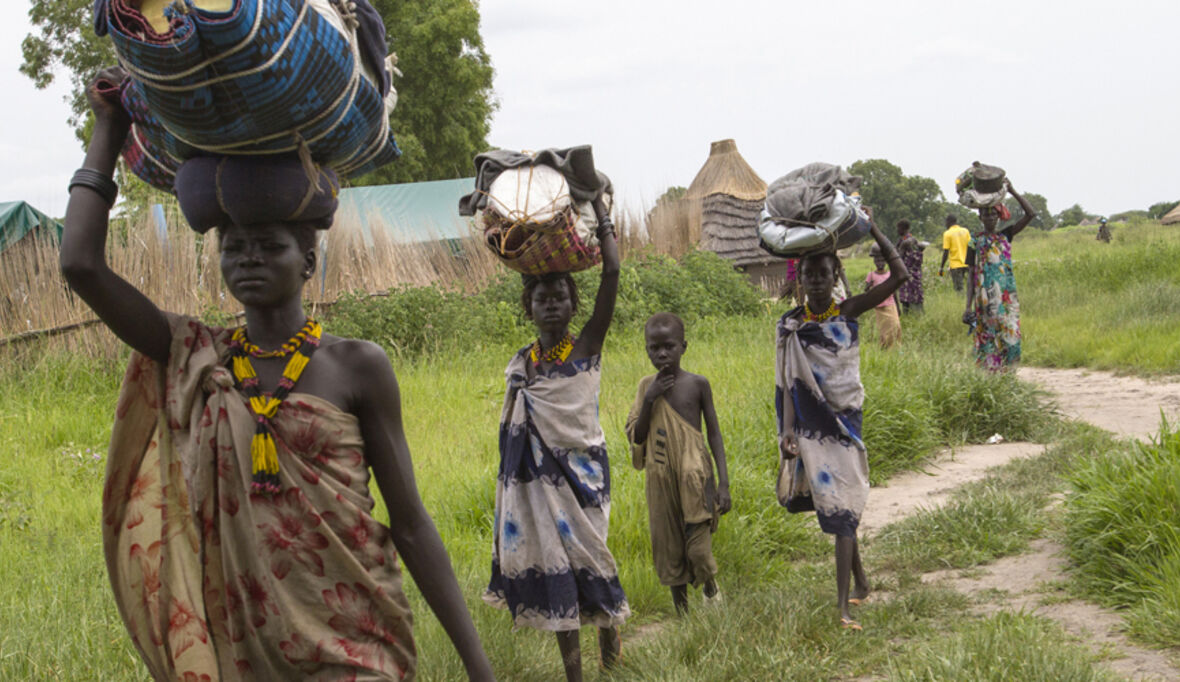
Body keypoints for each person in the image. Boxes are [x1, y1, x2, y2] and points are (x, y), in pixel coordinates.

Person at [60, 68, 494, 681]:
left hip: (355, 641)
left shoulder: (356, 366)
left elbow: (413, 523)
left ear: (309, 260)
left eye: (269, 244)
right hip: (244, 651)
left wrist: (480, 668)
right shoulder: (196, 356)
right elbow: (80, 264)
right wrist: (108, 130)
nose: (249, 257)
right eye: (233, 247)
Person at [484, 197, 629, 682]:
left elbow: (610, 274)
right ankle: (576, 676)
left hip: (585, 476)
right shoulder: (522, 365)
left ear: (574, 304)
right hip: (538, 486)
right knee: (559, 570)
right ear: (527, 306)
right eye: (541, 296)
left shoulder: (587, 346)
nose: (550, 303)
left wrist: (601, 215)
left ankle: (611, 646)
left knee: (594, 558)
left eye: (560, 295)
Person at [775, 219, 909, 631]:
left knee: (844, 505)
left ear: (836, 276)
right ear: (800, 279)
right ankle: (860, 585)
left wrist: (873, 231)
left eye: (824, 273)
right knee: (839, 509)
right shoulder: (790, 325)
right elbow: (785, 383)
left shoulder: (849, 310)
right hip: (811, 429)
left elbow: (900, 275)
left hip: (846, 421)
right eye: (809, 274)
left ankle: (843, 606)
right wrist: (786, 431)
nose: (816, 281)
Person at [625, 312, 732, 615]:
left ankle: (710, 585)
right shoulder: (646, 386)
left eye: (668, 346)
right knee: (669, 547)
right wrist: (650, 399)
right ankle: (682, 617)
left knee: (698, 549)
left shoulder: (698, 384)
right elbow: (638, 435)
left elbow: (713, 433)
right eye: (653, 348)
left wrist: (723, 484)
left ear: (683, 346)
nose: (661, 354)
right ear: (646, 349)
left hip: (695, 476)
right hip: (660, 479)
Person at [962, 180, 1036, 372]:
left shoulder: (1006, 235)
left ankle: (1008, 376)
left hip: (1006, 299)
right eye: (986, 215)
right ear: (980, 217)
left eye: (994, 214)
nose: (990, 218)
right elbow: (970, 274)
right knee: (987, 340)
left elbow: (1031, 214)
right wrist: (967, 306)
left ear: (999, 216)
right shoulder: (974, 242)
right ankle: (991, 379)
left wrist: (1012, 190)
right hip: (984, 302)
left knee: (1010, 340)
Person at [864, 244, 902, 348]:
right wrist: (869, 286)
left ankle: (896, 347)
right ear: (874, 262)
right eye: (877, 261)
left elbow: (894, 292)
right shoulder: (871, 275)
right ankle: (885, 348)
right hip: (880, 307)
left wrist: (898, 307)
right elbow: (866, 291)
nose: (879, 263)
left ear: (886, 261)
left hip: (891, 305)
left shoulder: (890, 274)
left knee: (896, 326)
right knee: (884, 330)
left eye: (882, 261)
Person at [895, 219, 925, 312]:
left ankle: (914, 315)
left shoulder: (907, 241)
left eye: (898, 228)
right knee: (909, 296)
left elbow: (898, 258)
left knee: (911, 296)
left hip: (909, 273)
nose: (897, 230)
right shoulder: (905, 240)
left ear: (904, 228)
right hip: (909, 274)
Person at [939, 215, 971, 291]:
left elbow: (946, 252)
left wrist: (941, 267)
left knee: (959, 288)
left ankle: (961, 302)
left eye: (946, 222)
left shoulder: (947, 233)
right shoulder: (965, 231)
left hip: (955, 265)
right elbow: (970, 246)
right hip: (967, 263)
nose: (945, 224)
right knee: (970, 286)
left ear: (949, 222)